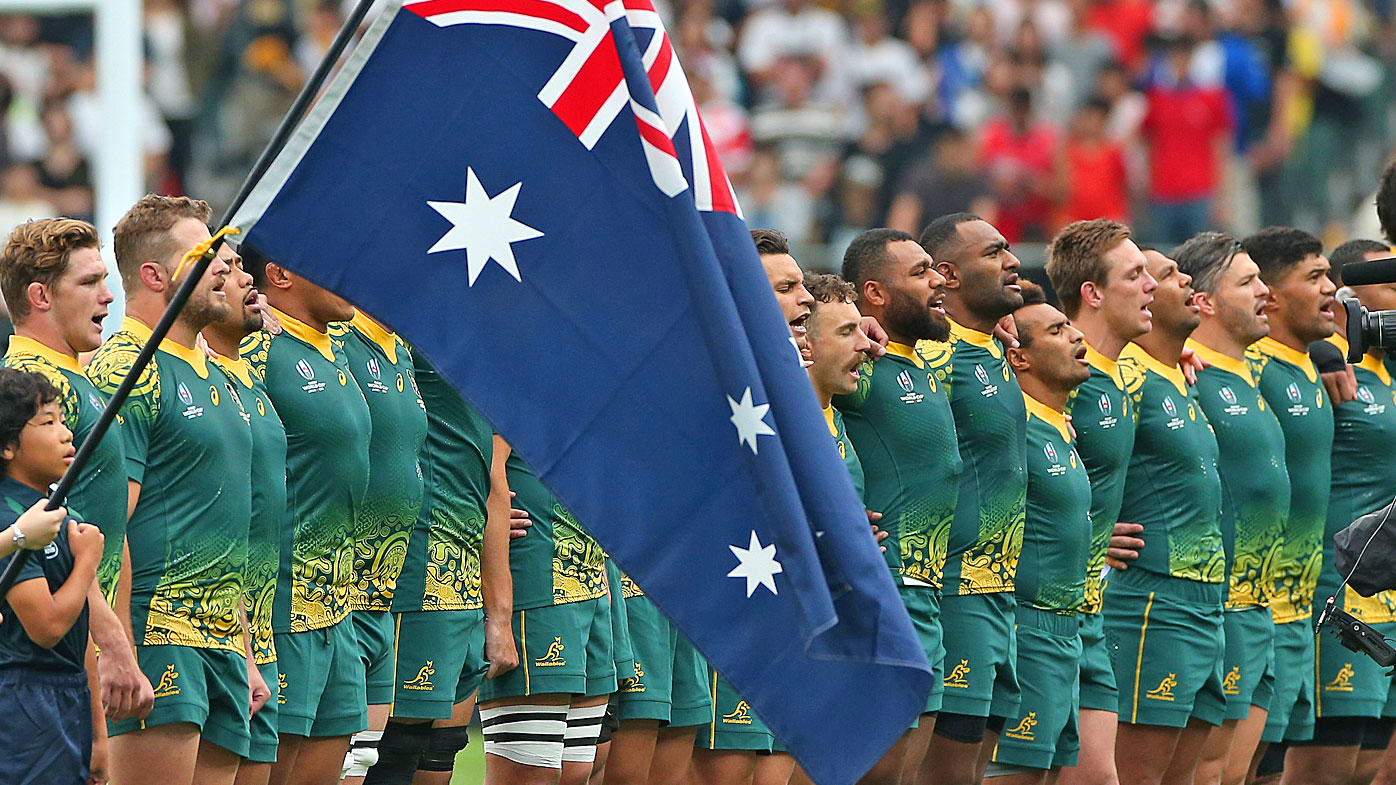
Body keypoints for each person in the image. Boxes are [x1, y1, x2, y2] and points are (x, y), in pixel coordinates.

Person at [88, 195, 265, 785]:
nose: (222, 266)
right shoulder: (127, 370)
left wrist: (242, 645)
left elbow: (222, 528)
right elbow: (105, 527)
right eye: (202, 254)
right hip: (157, 637)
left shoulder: (213, 369)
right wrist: (116, 647)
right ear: (153, 275)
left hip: (220, 639)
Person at [0, 216, 154, 723]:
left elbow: (110, 527)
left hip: (86, 647)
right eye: (89, 282)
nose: (108, 296)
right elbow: (55, 532)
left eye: (105, 279)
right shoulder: (33, 385)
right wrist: (110, 644)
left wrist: (122, 641)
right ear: (41, 296)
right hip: (52, 660)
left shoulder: (77, 378)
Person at [241, 242, 373, 785]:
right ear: (278, 275)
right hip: (285, 609)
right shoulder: (257, 351)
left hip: (340, 609)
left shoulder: (333, 343)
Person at [836, 227, 960, 785]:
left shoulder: (926, 364)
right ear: (875, 294)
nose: (938, 281)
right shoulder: (857, 370)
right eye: (920, 272)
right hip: (884, 588)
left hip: (929, 591)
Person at [363, 350, 521, 785]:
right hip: (414, 577)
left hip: (465, 585)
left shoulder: (484, 356)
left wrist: (498, 614)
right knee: (392, 750)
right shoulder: (394, 343)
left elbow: (493, 478)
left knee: (438, 755)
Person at [1103, 245, 1226, 785]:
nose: (1185, 280)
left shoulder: (1177, 373)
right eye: (1168, 273)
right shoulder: (1120, 375)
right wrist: (1091, 532)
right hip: (1154, 596)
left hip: (1207, 599)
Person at [914, 213, 1027, 785]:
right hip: (955, 590)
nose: (1012, 261)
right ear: (947, 276)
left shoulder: (996, 349)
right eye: (994, 252)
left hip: (1003, 597)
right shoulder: (926, 355)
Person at [1044, 219, 1157, 785]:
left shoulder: (1122, 374)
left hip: (1091, 613)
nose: (1151, 285)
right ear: (1092, 293)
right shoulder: (1052, 368)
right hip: (1040, 614)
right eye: (1135, 275)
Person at [1174, 233, 1288, 785]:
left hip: (1260, 606)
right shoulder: (1189, 378)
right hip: (1214, 605)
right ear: (1204, 302)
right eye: (1247, 282)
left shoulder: (1253, 372)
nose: (1265, 291)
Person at [984, 282, 1094, 785]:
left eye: (1070, 325)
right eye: (1057, 330)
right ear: (1020, 359)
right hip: (1025, 629)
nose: (1077, 337)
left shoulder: (1058, 425)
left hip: (1068, 634)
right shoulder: (1011, 429)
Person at [1238, 228, 1336, 783]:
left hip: (1299, 608)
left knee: (1274, 768)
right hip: (1255, 606)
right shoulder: (1249, 369)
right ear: (1270, 295)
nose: (1332, 290)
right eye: (1315, 278)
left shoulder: (1310, 363)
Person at [202, 246, 287, 785]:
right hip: (186, 629)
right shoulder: (132, 367)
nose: (243, 277)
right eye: (225, 270)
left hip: (254, 626)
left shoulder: (251, 369)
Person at [0, 368, 107, 785]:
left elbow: (81, 640)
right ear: (8, 445)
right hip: (24, 701)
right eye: (47, 423)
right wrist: (85, 563)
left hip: (70, 696)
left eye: (63, 420)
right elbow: (47, 627)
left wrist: (99, 737)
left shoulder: (61, 517)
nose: (65, 434)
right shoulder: (12, 517)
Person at [337, 308, 428, 785]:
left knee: (364, 761)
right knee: (340, 763)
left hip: (381, 594)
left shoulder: (400, 349)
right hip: (332, 596)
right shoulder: (333, 342)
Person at [1316, 238, 1396, 785]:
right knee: (1331, 767)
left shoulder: (1390, 371)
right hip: (1343, 590)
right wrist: (1323, 350)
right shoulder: (1328, 369)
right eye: (1390, 284)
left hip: (1389, 587)